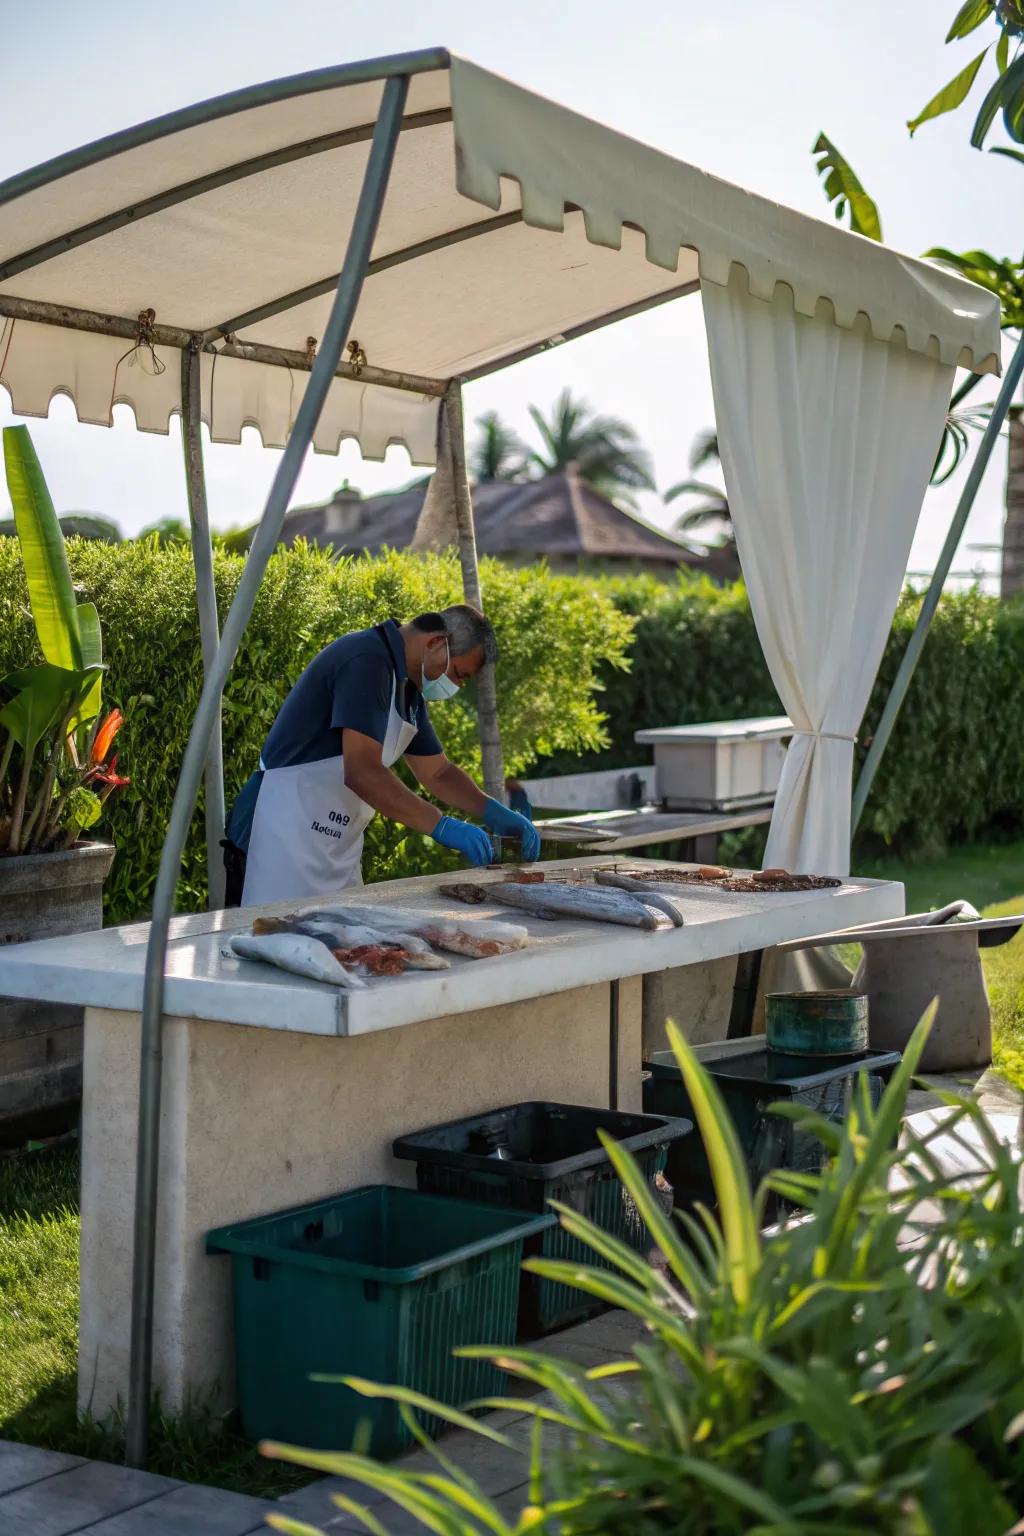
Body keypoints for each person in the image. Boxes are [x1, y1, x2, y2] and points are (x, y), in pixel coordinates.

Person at [222, 604, 539, 907]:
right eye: (458, 673)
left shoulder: (409, 690)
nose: (456, 686)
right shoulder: (367, 661)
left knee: (346, 947)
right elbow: (362, 772)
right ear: (434, 643)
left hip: (334, 845)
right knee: (277, 938)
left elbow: (438, 773)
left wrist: (494, 812)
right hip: (285, 831)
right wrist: (442, 826)